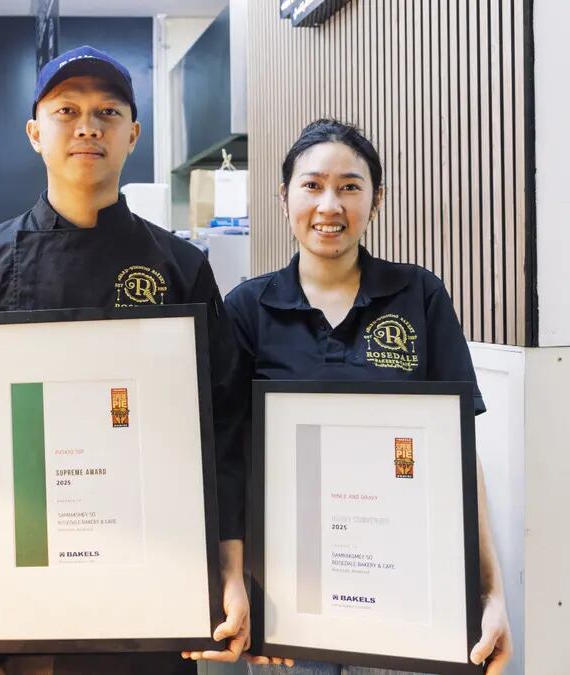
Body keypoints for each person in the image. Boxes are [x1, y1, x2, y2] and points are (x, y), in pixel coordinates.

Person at [0, 45, 257, 675]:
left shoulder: (180, 270)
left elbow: (224, 427)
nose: (88, 126)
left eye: (108, 111)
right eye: (67, 110)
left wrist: (232, 573)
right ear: (35, 133)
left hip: (153, 588)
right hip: (12, 588)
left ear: (133, 135)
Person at [224, 119, 513, 674]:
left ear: (376, 201)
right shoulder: (248, 309)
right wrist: (241, 584)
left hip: (408, 591)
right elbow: (230, 460)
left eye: (350, 187)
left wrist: (489, 594)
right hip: (291, 602)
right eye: (311, 185)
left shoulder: (418, 295)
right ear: (283, 197)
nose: (329, 204)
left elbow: (458, 452)